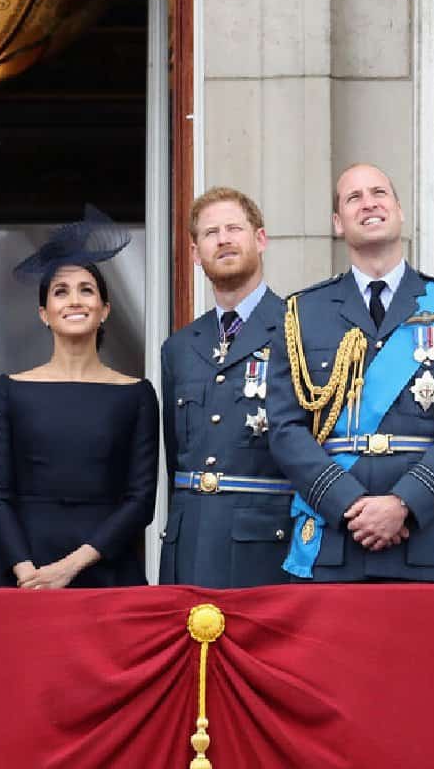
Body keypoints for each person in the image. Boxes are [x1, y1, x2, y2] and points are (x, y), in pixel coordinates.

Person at [266, 163, 434, 582]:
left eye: (379, 193)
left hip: (426, 540)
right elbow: (284, 427)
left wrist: (404, 503)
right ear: (338, 223)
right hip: (335, 538)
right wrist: (348, 503)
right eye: (353, 198)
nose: (368, 203)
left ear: (400, 211)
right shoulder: (302, 313)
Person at [0, 205, 158, 588]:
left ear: (105, 309)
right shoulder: (10, 390)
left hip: (106, 569)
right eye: (60, 292)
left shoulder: (137, 395)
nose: (74, 301)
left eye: (86, 290)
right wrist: (25, 569)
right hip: (23, 572)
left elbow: (140, 500)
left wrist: (72, 566)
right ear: (44, 313)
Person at [159, 187, 293, 588]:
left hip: (266, 545)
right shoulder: (180, 347)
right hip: (190, 543)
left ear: (260, 239)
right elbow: (175, 457)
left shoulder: (298, 328)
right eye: (211, 232)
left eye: (234, 227)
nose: (224, 239)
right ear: (196, 253)